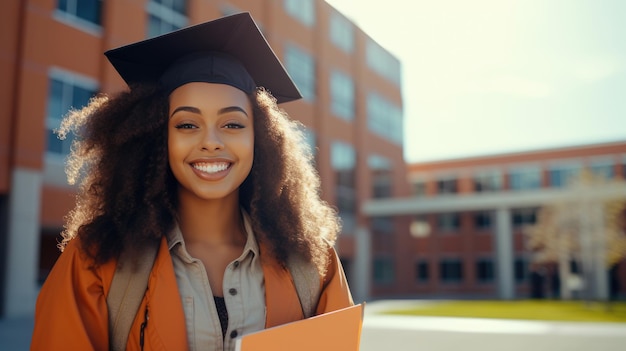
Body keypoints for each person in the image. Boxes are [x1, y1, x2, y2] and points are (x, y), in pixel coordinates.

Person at [31, 12, 353, 351]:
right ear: (158, 137)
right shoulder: (96, 260)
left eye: (232, 125)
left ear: (261, 140)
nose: (211, 141)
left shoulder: (312, 262)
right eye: (187, 125)